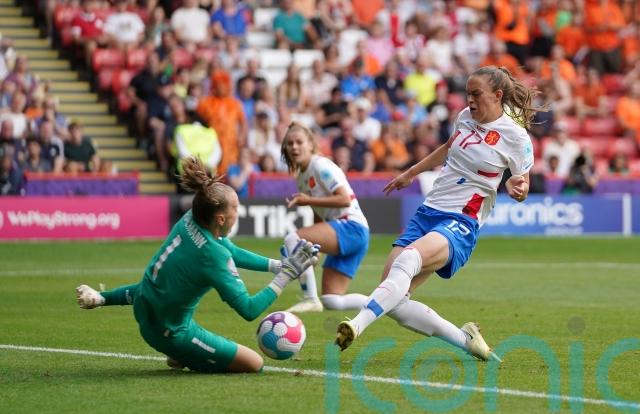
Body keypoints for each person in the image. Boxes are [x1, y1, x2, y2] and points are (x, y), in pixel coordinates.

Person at [335, 66, 540, 362]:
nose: (469, 100)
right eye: (467, 94)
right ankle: (465, 340)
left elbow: (522, 183)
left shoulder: (516, 136)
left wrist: (516, 187)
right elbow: (447, 146)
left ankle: (356, 325)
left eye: (476, 94)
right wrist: (411, 172)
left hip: (462, 220)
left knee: (408, 260)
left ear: (497, 95)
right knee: (393, 299)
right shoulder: (465, 117)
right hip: (429, 211)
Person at [75, 156, 320, 373]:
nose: (239, 212)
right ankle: (185, 354)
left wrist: (279, 265)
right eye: (236, 208)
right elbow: (249, 309)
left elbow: (232, 251)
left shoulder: (190, 219)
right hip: (170, 333)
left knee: (160, 287)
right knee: (254, 363)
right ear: (221, 218)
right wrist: (288, 274)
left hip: (145, 309)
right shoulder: (213, 255)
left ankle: (104, 299)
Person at [280, 122, 370, 313]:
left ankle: (310, 299)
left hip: (351, 227)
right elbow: (318, 213)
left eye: (299, 142)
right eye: (290, 143)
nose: (294, 147)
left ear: (311, 145)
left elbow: (344, 199)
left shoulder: (320, 165)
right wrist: (315, 247)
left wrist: (308, 200)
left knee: (292, 238)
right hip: (349, 232)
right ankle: (383, 303)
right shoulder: (301, 177)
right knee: (332, 300)